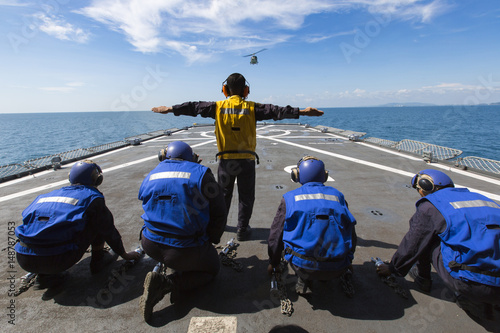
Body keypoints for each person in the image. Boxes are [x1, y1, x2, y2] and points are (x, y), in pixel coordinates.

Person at [152, 73, 323, 241]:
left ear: (225, 90)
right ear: (245, 90)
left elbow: (194, 107)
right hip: (246, 161)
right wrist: (303, 112)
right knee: (246, 197)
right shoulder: (252, 108)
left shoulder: (217, 107)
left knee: (222, 195)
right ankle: (242, 229)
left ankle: (221, 225)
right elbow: (277, 111)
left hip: (226, 161)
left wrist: (170, 109)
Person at [376, 169, 500, 321]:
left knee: (428, 238)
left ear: (426, 186)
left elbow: (413, 243)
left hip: (476, 285)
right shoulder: (484, 200)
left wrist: (393, 268)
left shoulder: (431, 206)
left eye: (419, 189)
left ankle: (424, 279)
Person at [15, 160, 141, 290]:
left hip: (24, 258)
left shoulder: (43, 197)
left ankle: (44, 276)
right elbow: (108, 230)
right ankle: (98, 260)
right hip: (57, 261)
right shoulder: (93, 197)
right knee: (97, 221)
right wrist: (124, 254)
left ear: (70, 177)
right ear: (98, 180)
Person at [138, 141, 227, 322]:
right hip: (184, 250)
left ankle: (164, 266)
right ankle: (168, 284)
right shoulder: (202, 174)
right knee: (212, 270)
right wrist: (211, 239)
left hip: (149, 244)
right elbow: (219, 212)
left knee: (169, 251)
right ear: (192, 157)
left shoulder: (151, 174)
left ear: (164, 156)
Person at [267, 156, 357, 296]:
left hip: (303, 266)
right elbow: (351, 232)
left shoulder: (289, 198)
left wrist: (274, 262)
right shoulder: (338, 196)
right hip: (339, 266)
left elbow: (276, 235)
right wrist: (348, 259)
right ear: (324, 175)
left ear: (297, 175)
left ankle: (304, 279)